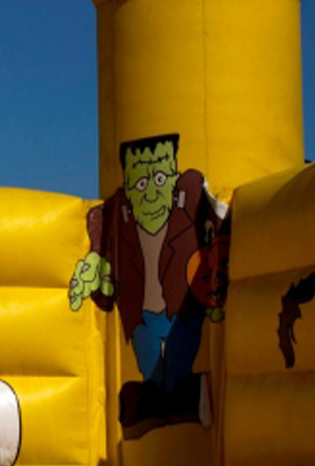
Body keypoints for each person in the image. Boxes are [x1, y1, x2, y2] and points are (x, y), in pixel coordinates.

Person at [69, 133, 226, 437]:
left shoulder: (188, 211)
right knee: (153, 374)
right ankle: (156, 405)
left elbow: (213, 214)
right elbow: (101, 258)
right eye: (141, 185)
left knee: (178, 367)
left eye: (159, 180)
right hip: (143, 318)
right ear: (128, 187)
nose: (151, 194)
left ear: (173, 181)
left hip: (184, 313)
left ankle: (182, 400)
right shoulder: (118, 221)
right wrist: (91, 272)